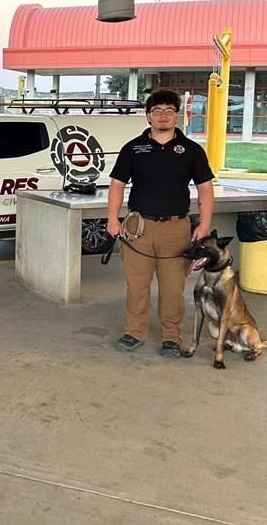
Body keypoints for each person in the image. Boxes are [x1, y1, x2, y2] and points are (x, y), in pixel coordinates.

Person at [106, 89, 215, 358]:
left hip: (176, 229)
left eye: (168, 110)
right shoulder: (133, 148)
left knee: (172, 288)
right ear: (148, 117)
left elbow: (205, 189)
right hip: (138, 228)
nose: (163, 115)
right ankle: (134, 332)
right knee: (137, 285)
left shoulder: (191, 151)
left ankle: (171, 337)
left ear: (177, 115)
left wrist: (204, 225)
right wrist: (112, 218)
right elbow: (117, 184)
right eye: (157, 111)